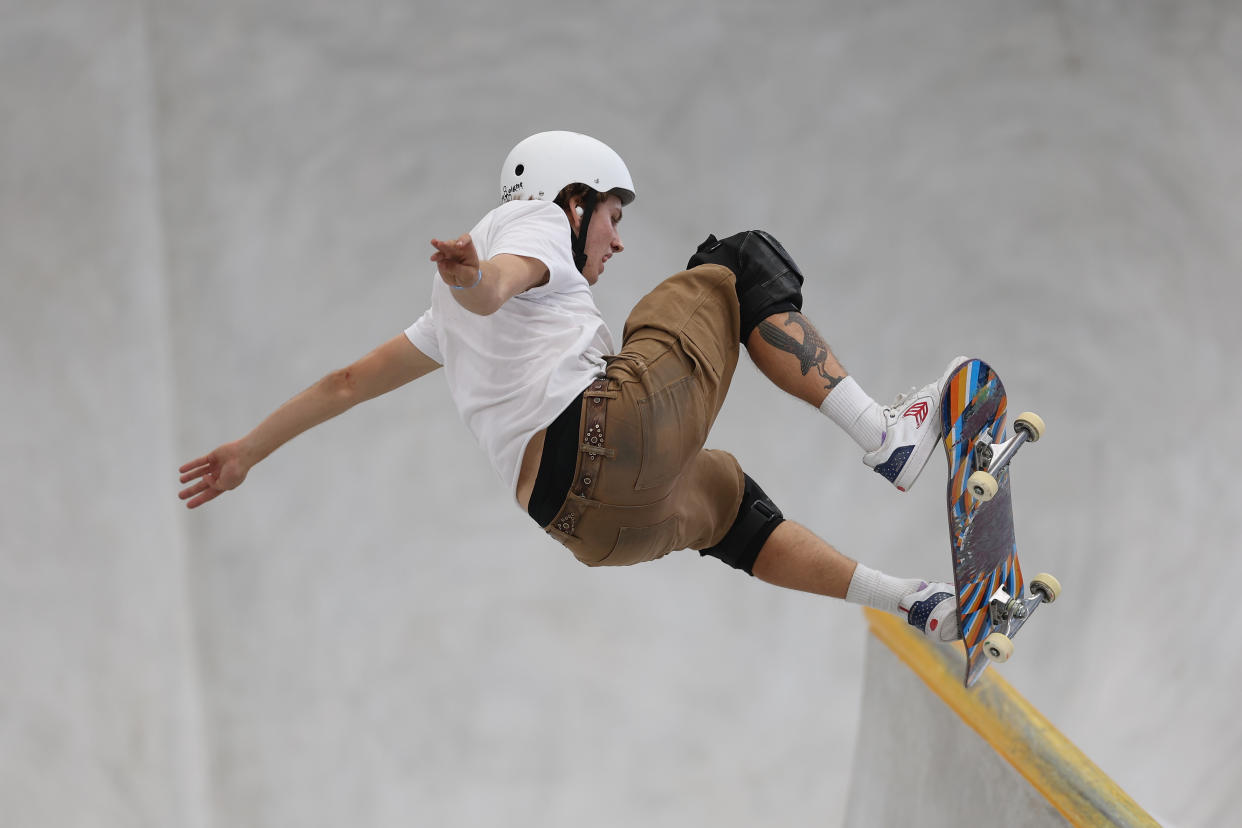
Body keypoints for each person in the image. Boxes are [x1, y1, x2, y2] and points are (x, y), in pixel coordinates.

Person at [178, 130, 966, 642]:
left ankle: (913, 602)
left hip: (587, 529)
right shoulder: (538, 224)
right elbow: (501, 283)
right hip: (602, 433)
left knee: (728, 503)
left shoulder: (443, 329)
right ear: (575, 198)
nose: (617, 239)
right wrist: (477, 279)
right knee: (733, 264)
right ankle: (887, 436)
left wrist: (248, 451)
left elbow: (346, 383)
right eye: (612, 215)